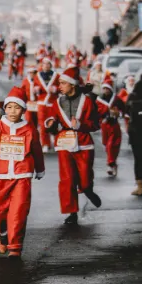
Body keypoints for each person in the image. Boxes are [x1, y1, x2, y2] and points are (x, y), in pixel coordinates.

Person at [0, 86, 45, 258]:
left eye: (17, 107)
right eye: (9, 107)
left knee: (19, 210)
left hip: (22, 176)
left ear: (23, 110)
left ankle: (15, 247)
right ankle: (3, 233)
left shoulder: (29, 129)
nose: (13, 111)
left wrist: (39, 168)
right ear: (5, 109)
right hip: (0, 176)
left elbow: (36, 150)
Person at [44, 66, 102, 226]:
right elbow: (52, 121)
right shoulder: (57, 103)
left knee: (84, 179)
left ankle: (87, 189)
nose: (59, 86)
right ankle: (71, 212)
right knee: (67, 179)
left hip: (84, 144)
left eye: (63, 83)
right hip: (64, 144)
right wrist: (51, 125)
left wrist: (82, 125)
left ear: (72, 85)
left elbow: (96, 124)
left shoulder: (88, 102)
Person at [95, 76, 124, 178]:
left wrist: (118, 113)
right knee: (106, 145)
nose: (106, 90)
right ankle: (113, 163)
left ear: (110, 89)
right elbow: (96, 113)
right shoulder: (99, 100)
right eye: (104, 88)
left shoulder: (116, 99)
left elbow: (124, 110)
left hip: (114, 125)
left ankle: (110, 165)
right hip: (104, 125)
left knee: (111, 145)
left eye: (107, 89)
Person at [34, 58, 58, 153]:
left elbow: (62, 87)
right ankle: (45, 144)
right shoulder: (37, 76)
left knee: (53, 124)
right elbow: (34, 86)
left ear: (51, 65)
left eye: (48, 64)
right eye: (45, 64)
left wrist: (56, 89)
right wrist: (36, 89)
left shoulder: (56, 76)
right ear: (42, 65)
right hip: (41, 103)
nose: (46, 66)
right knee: (42, 125)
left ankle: (56, 143)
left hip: (52, 103)